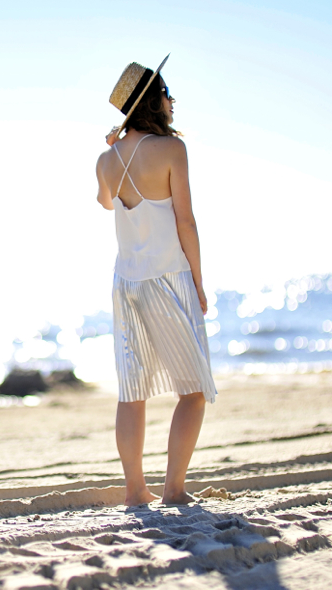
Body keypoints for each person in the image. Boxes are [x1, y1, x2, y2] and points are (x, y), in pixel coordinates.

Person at [95, 58, 217, 506]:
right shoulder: (171, 150)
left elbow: (105, 202)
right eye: (166, 92)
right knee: (195, 392)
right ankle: (174, 490)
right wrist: (198, 283)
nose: (171, 100)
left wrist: (112, 149)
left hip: (126, 282)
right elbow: (186, 222)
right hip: (168, 278)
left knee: (133, 392)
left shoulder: (105, 160)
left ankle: (135, 490)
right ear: (151, 101)